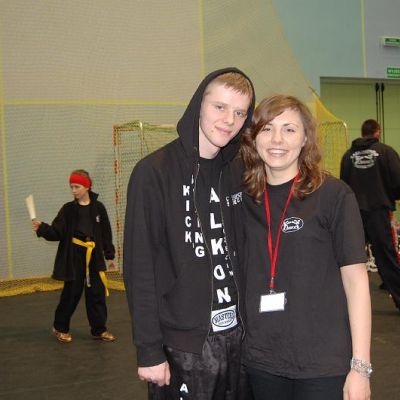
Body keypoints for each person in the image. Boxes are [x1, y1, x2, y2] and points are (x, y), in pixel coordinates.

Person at [123, 68, 255, 399]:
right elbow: (139, 268)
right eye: (220, 107)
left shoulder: (240, 171)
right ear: (198, 105)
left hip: (240, 340)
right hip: (184, 346)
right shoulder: (153, 172)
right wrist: (149, 350)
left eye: (240, 113)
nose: (229, 120)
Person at [240, 95, 372, 400]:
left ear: (304, 139)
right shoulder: (244, 198)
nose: (277, 139)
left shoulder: (334, 195)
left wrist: (361, 367)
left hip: (322, 365)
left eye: (289, 129)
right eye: (267, 129)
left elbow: (356, 283)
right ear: (254, 138)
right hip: (262, 361)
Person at [32, 169, 116, 343]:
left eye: (77, 186)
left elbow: (105, 233)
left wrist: (109, 255)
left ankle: (99, 330)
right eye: (71, 187)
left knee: (97, 294)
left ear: (87, 186)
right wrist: (42, 228)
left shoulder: (98, 208)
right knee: (71, 293)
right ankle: (60, 327)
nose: (73, 190)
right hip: (74, 256)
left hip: (93, 256)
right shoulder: (68, 210)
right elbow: (56, 232)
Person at [340, 119, 400, 311]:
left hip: (353, 214)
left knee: (350, 259)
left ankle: (341, 305)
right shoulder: (386, 152)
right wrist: (391, 197)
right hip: (378, 211)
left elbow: (343, 184)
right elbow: (397, 180)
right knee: (386, 255)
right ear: (377, 132)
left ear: (362, 132)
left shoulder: (348, 155)